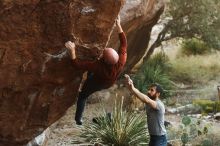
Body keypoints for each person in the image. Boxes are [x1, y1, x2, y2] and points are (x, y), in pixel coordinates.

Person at [65, 16, 127, 125]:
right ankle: (90, 77)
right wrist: (118, 25)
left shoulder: (98, 66)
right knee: (91, 72)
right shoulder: (121, 59)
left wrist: (72, 51)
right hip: (109, 81)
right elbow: (124, 43)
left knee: (83, 95)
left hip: (98, 82)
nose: (102, 52)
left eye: (103, 54)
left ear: (105, 61)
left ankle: (78, 119)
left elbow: (77, 65)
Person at [124, 74, 167, 146]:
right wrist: (131, 87)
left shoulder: (159, 104)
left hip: (160, 138)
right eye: (149, 89)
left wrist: (133, 89)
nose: (149, 91)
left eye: (152, 90)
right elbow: (141, 95)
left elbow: (146, 99)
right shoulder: (149, 101)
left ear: (158, 94)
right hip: (153, 137)